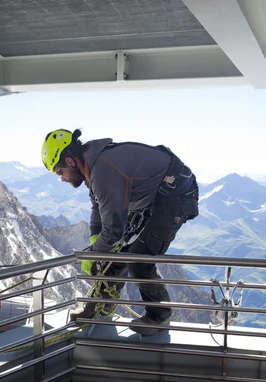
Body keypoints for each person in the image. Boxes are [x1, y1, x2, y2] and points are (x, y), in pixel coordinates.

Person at [41, 129, 199, 336]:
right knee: (116, 250)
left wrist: (93, 254)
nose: (61, 178)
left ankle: (160, 316)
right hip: (154, 196)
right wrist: (95, 238)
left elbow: (114, 231)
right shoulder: (92, 164)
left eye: (59, 171)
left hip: (175, 198)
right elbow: (97, 206)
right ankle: (102, 305)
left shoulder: (103, 170)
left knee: (139, 258)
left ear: (69, 161)